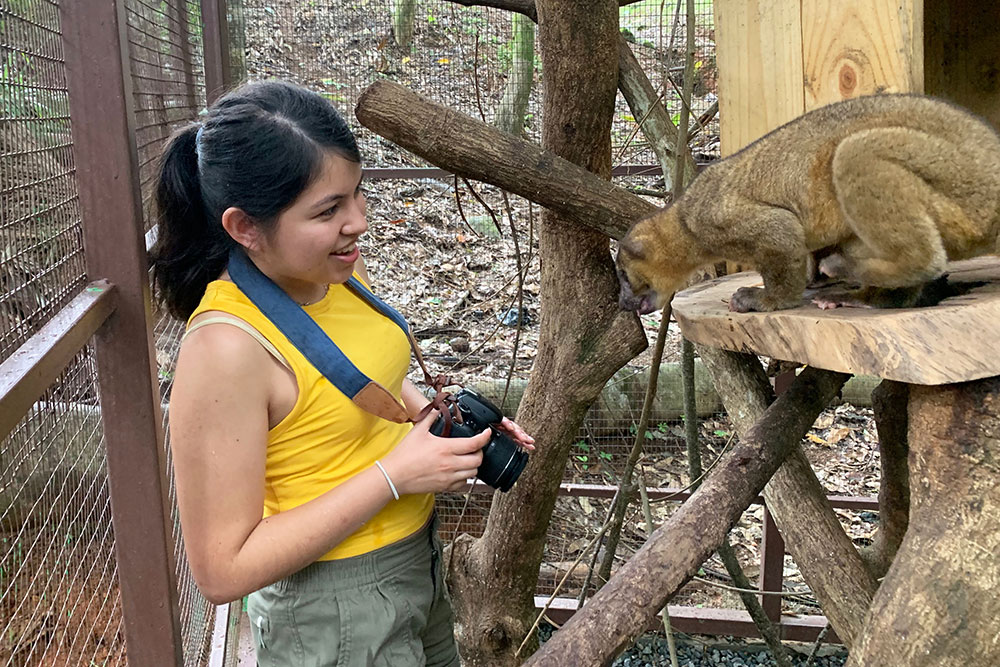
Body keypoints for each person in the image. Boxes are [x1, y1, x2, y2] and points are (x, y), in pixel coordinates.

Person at [151, 80, 534, 667]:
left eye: (356, 194)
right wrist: (395, 474)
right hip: (333, 609)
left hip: (415, 567)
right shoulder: (225, 349)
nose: (357, 222)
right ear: (244, 228)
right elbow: (222, 571)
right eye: (328, 210)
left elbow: (353, 383)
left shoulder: (325, 272)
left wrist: (444, 419)